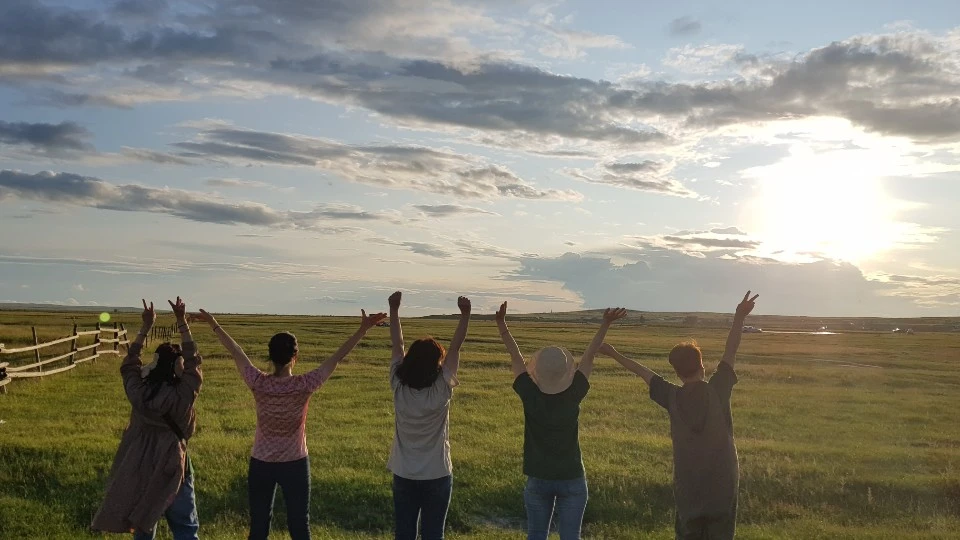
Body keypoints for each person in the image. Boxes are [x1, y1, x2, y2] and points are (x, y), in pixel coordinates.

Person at [190, 307, 385, 540]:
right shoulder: (304, 384)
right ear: (295, 357)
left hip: (261, 462)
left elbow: (236, 351)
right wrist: (362, 329)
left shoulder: (258, 382)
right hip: (295, 463)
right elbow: (336, 358)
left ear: (270, 357)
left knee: (259, 527)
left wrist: (212, 322)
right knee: (300, 526)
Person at [597, 291, 759, 540]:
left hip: (688, 488)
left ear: (677, 372)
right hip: (723, 485)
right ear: (702, 365)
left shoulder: (670, 395)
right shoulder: (718, 389)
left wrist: (614, 354)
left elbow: (642, 371)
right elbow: (731, 350)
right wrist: (739, 317)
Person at [496, 301, 627, 540]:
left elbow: (515, 355)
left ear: (537, 371)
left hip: (538, 477)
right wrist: (605, 323)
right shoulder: (574, 392)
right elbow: (589, 355)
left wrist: (502, 324)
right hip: (572, 477)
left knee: (536, 535)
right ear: (567, 372)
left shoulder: (529, 393)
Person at [92, 297, 202, 540]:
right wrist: (182, 321)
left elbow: (130, 364)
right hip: (175, 465)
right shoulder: (183, 395)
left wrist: (145, 327)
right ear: (178, 368)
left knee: (143, 524)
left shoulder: (139, 393)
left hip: (140, 464)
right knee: (185, 528)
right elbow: (193, 361)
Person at [386, 291, 471, 540]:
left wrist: (394, 309)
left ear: (410, 361)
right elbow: (456, 347)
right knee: (434, 534)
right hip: (437, 473)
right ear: (436, 364)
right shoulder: (441, 388)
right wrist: (465, 314)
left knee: (404, 533)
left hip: (404, 472)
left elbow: (397, 345)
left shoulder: (398, 385)